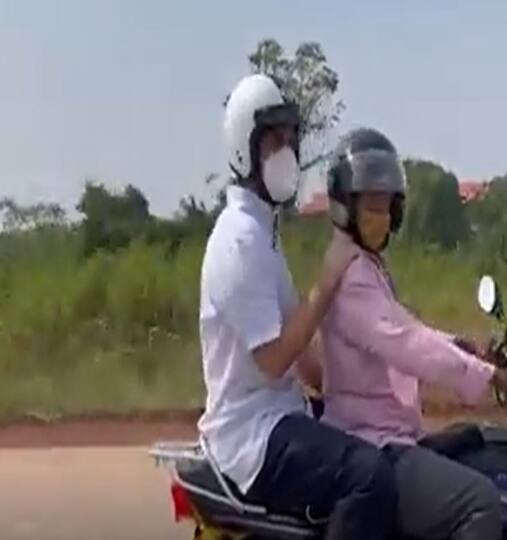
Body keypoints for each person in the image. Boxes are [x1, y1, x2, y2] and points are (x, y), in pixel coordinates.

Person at [197, 75, 397, 540]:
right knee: (370, 478)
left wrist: (359, 389)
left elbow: (304, 358)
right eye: (272, 139)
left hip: (280, 415)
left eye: (290, 137)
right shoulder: (238, 240)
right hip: (253, 435)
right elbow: (273, 360)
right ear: (243, 147)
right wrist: (326, 281)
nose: (285, 150)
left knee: (381, 444)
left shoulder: (263, 234)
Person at [319, 127, 507, 540]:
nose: (379, 214)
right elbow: (408, 345)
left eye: (386, 204)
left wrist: (465, 348)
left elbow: (408, 329)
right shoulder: (353, 277)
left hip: (388, 436)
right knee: (479, 502)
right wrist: (493, 376)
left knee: (476, 446)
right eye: (369, 203)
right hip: (372, 443)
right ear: (344, 204)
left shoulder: (366, 268)